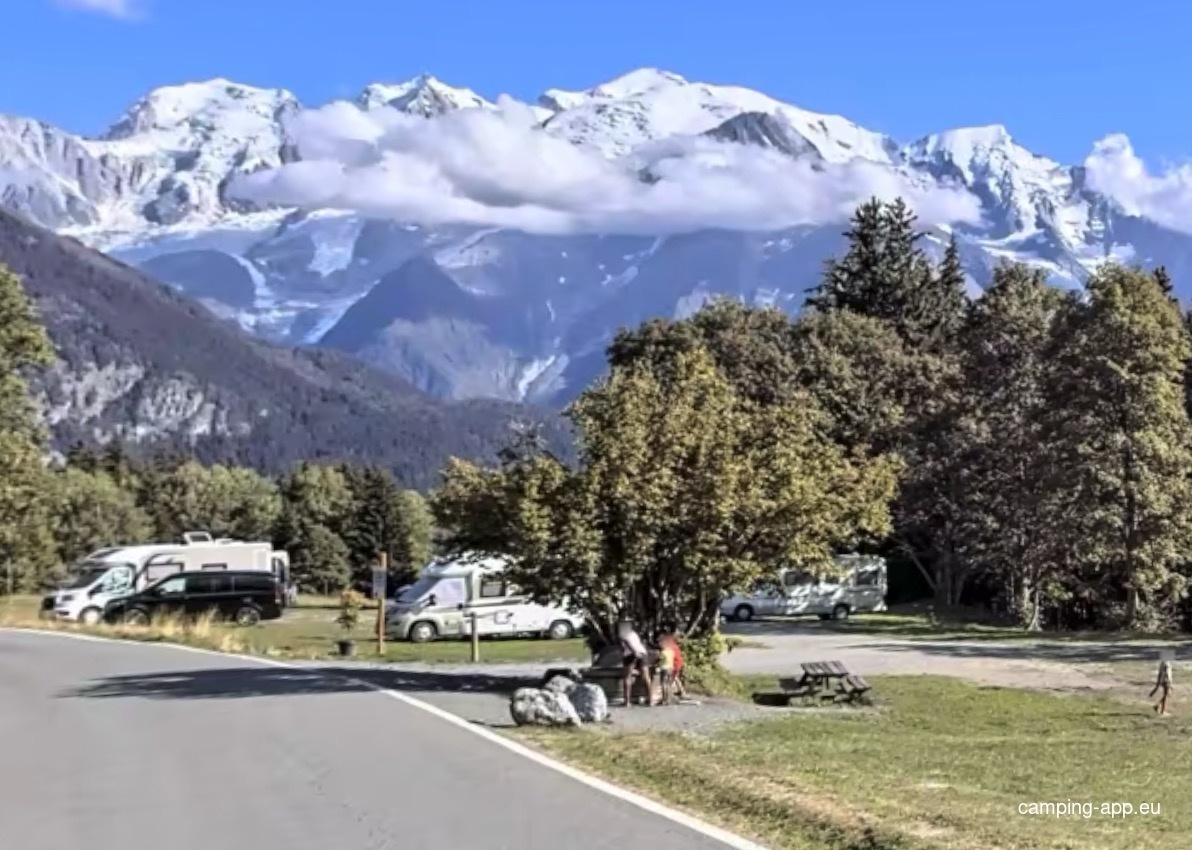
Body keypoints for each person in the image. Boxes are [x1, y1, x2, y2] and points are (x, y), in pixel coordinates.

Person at [618, 620, 654, 707]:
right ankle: (650, 700)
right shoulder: (633, 633)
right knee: (646, 676)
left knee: (627, 677)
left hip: (631, 653)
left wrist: (634, 651)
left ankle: (627, 702)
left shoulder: (623, 632)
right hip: (642, 653)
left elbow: (626, 642)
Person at [658, 627, 685, 701]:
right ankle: (679, 692)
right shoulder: (673, 646)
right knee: (674, 679)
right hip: (675, 664)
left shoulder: (667, 649)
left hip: (673, 664)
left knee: (667, 682)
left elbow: (662, 659)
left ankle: (665, 698)